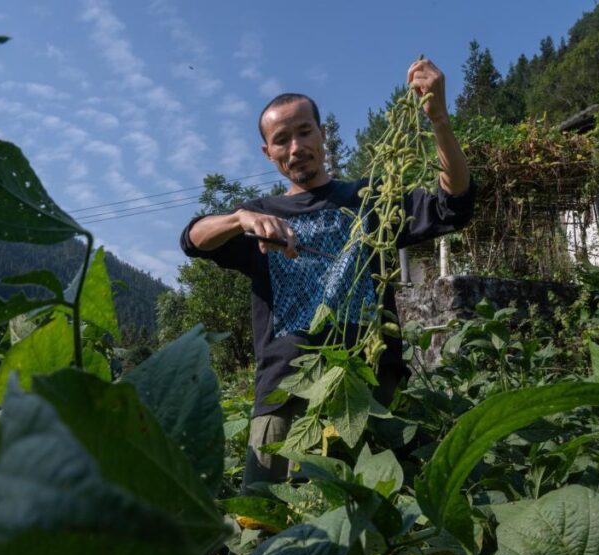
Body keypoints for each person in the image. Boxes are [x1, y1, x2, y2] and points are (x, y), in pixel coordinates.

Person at [179, 59, 475, 493]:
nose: (296, 147)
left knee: (374, 527)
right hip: (285, 398)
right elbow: (192, 239)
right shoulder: (260, 216)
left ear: (322, 134)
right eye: (282, 139)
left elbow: (455, 205)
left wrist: (439, 118)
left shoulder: (372, 200)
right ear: (269, 153)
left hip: (370, 389)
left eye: (304, 132)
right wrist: (240, 218)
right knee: (272, 531)